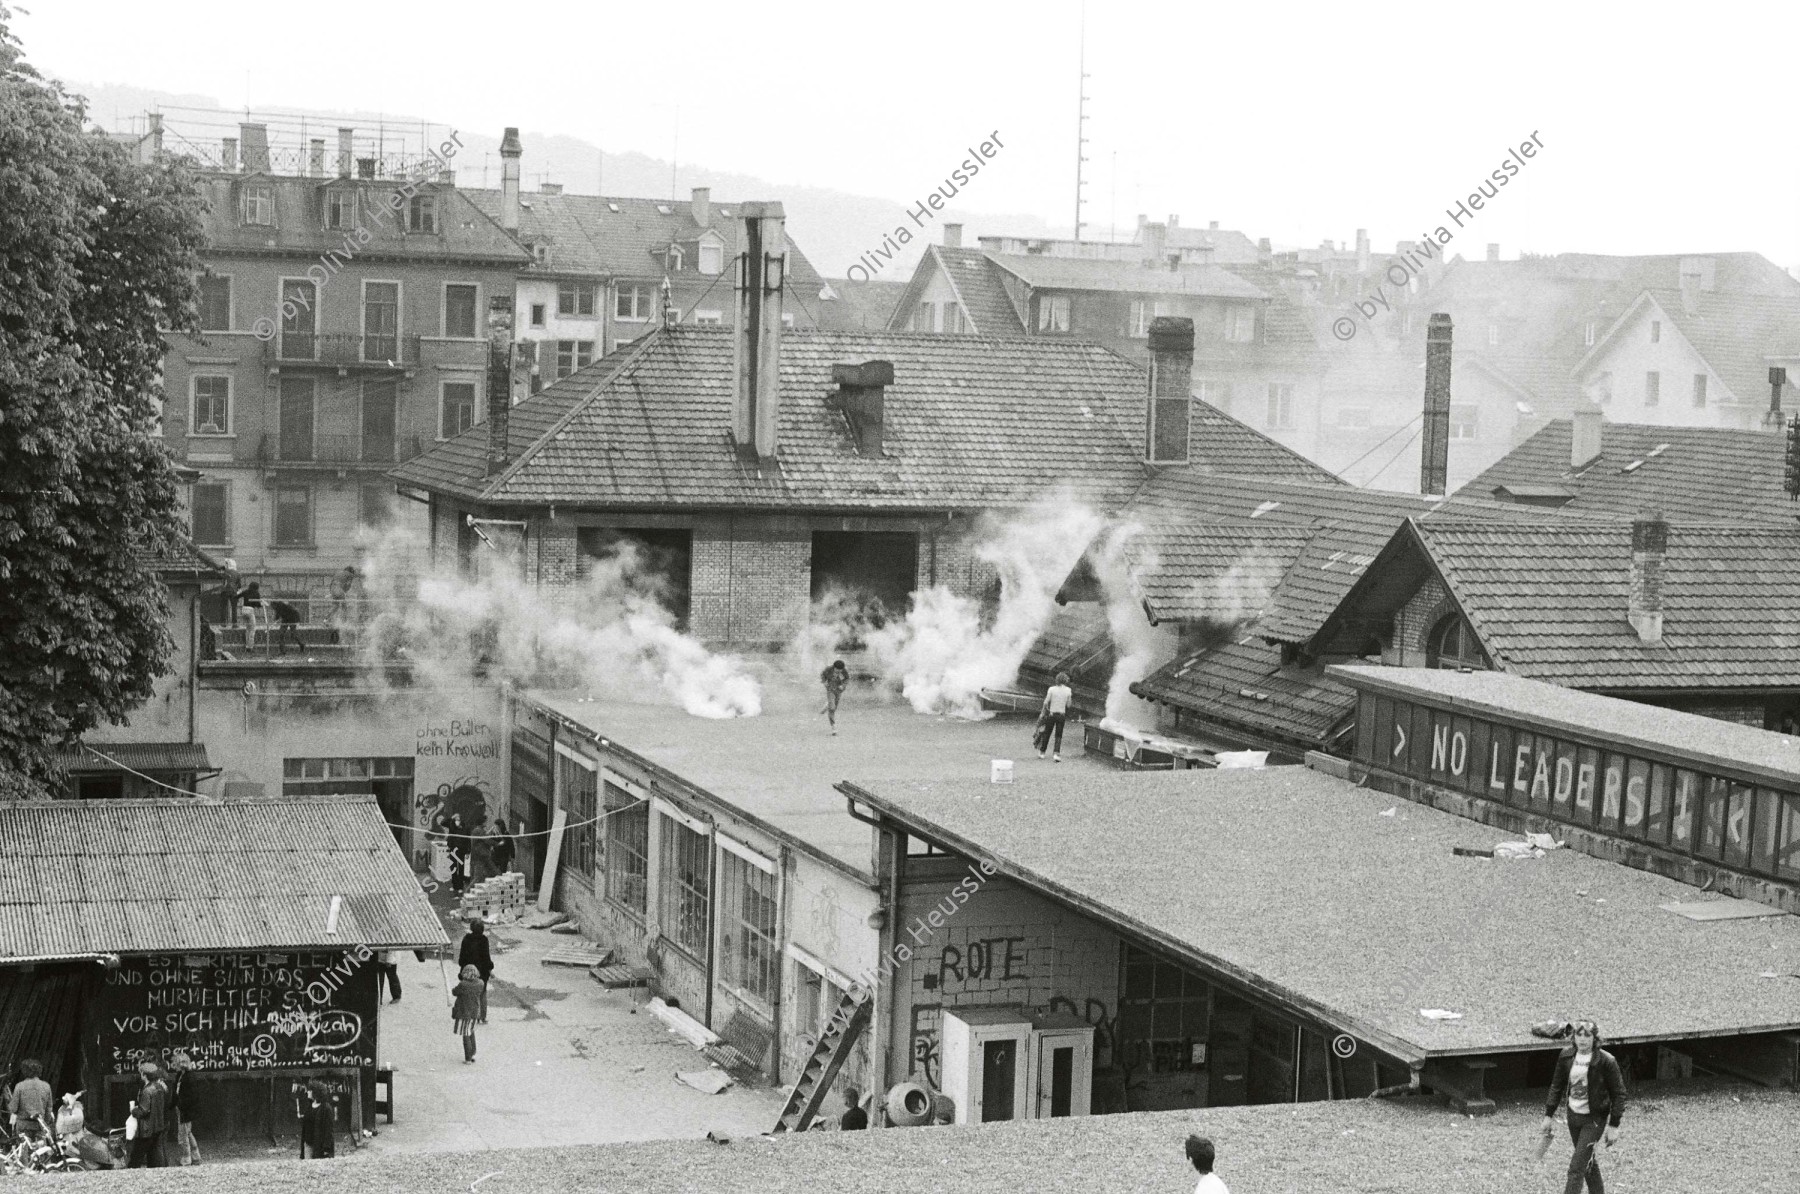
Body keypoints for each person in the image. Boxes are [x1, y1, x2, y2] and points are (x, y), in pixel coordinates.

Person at [1541, 1018, 1625, 1194]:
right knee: (1588, 1162)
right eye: (1579, 1035)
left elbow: (1619, 1093)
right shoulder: (1566, 1056)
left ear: (1595, 1038)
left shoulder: (1606, 1061)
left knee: (1576, 1168)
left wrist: (1614, 1125)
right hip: (1573, 1117)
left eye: (1587, 1035)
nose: (1582, 1039)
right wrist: (1548, 1115)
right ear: (1573, 1037)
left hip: (1594, 1119)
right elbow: (1556, 1086)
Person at [126, 1062, 169, 1168]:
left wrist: (133, 1110)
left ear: (144, 1075)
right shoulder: (160, 1087)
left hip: (146, 1130)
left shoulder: (147, 1091)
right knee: (154, 1158)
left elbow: (143, 1111)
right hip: (157, 1127)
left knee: (136, 1158)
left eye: (141, 1073)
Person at [163, 1050, 198, 1166]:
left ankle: (186, 1159)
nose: (181, 1064)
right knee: (188, 1133)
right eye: (179, 1062)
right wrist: (173, 1105)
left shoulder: (190, 1077)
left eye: (183, 1062)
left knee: (182, 1136)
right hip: (181, 1108)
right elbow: (176, 1093)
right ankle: (196, 1157)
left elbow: (192, 1096)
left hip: (186, 1109)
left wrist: (182, 1106)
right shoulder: (180, 1075)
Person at [7, 1057, 54, 1140]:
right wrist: (45, 1123)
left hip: (23, 1126)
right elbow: (49, 1109)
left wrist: (8, 1105)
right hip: (40, 1125)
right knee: (39, 1151)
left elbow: (13, 1108)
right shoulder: (46, 1086)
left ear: (25, 1071)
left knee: (24, 1150)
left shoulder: (20, 1086)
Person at [459, 916, 494, 1024]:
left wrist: (463, 968)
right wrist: (490, 968)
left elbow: (461, 959)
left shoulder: (466, 939)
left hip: (468, 972)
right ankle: (482, 1017)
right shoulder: (484, 940)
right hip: (482, 973)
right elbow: (486, 958)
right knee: (482, 994)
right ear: (482, 929)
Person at [451, 964, 484, 1063]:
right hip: (475, 1011)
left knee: (465, 1034)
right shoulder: (480, 983)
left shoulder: (463, 984)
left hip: (464, 1011)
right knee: (471, 1031)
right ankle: (473, 1051)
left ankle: (468, 1058)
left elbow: (454, 992)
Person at [1038, 671, 1074, 762]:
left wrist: (1044, 711)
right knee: (1058, 735)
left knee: (1047, 733)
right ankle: (1056, 754)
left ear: (1057, 679)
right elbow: (1069, 705)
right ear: (1066, 680)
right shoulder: (1068, 690)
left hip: (1052, 714)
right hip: (1061, 715)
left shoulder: (1051, 689)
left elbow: (1046, 702)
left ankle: (1042, 752)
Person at [297, 1080, 335, 1159]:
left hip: (320, 1146)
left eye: (309, 1091)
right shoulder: (309, 1107)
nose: (307, 1092)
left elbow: (329, 1129)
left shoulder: (326, 1108)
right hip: (308, 1144)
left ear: (315, 1092)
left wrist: (326, 1148)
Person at [820, 659, 850, 735]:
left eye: (840, 671)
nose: (839, 672)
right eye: (837, 671)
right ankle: (833, 727)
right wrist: (824, 682)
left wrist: (843, 685)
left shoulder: (844, 671)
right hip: (830, 689)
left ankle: (828, 704)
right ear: (834, 667)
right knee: (832, 709)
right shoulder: (828, 669)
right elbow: (822, 675)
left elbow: (847, 679)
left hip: (839, 691)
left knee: (834, 706)